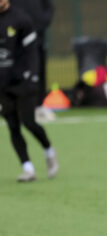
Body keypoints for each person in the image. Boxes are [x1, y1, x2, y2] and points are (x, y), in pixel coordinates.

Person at [0, 0, 58, 182]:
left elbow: (32, 52)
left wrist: (32, 76)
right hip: (3, 85)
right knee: (13, 126)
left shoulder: (21, 19)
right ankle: (28, 168)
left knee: (29, 122)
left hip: (23, 81)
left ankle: (49, 151)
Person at [10, 0, 54, 120]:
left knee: (38, 71)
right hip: (15, 39)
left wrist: (39, 25)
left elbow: (48, 9)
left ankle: (39, 106)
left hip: (38, 37)